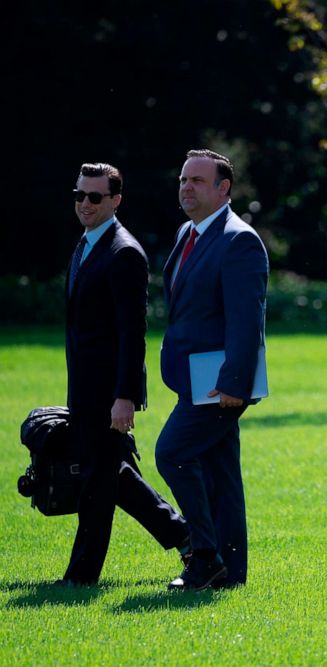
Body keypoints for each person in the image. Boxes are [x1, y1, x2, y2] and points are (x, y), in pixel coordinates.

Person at [60, 162, 190, 585]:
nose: (85, 203)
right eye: (80, 195)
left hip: (108, 392)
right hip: (84, 387)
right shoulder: (85, 245)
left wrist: (125, 396)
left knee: (98, 481)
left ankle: (81, 576)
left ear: (115, 201)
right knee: (112, 472)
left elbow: (133, 333)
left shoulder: (124, 251)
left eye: (95, 197)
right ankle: (185, 535)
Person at [155, 149, 269, 591]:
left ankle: (203, 555)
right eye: (184, 179)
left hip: (221, 381)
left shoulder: (240, 240)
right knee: (221, 474)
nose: (186, 187)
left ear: (224, 189)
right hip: (193, 377)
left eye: (198, 181)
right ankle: (229, 572)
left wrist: (234, 384)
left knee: (172, 452)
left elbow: (247, 320)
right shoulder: (189, 231)